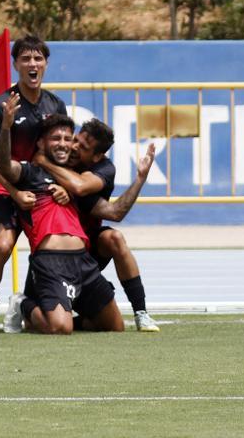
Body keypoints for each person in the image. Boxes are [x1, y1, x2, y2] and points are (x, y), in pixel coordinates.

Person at [0, 34, 68, 335]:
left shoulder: (56, 104)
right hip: (8, 188)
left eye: (38, 58)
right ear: (16, 64)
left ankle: (31, 304)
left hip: (42, 189)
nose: (33, 64)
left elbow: (61, 154)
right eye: (26, 59)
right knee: (4, 246)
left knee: (51, 250)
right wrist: (15, 191)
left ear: (45, 64)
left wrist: (61, 186)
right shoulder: (1, 106)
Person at [0, 97, 123, 335]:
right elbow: (2, 167)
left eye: (68, 139)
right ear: (41, 144)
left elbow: (108, 207)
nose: (65, 144)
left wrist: (140, 178)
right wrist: (5, 128)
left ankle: (60, 313)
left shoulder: (75, 177)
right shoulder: (30, 171)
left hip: (83, 262)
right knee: (59, 328)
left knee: (114, 327)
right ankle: (22, 303)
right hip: (50, 262)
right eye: (56, 139)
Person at [33, 119, 160, 331]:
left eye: (83, 147)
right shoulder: (60, 155)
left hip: (87, 251)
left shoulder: (103, 169)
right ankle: (26, 305)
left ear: (96, 157)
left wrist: (140, 178)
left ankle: (141, 313)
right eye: (76, 140)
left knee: (114, 239)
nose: (72, 147)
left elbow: (108, 207)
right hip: (54, 254)